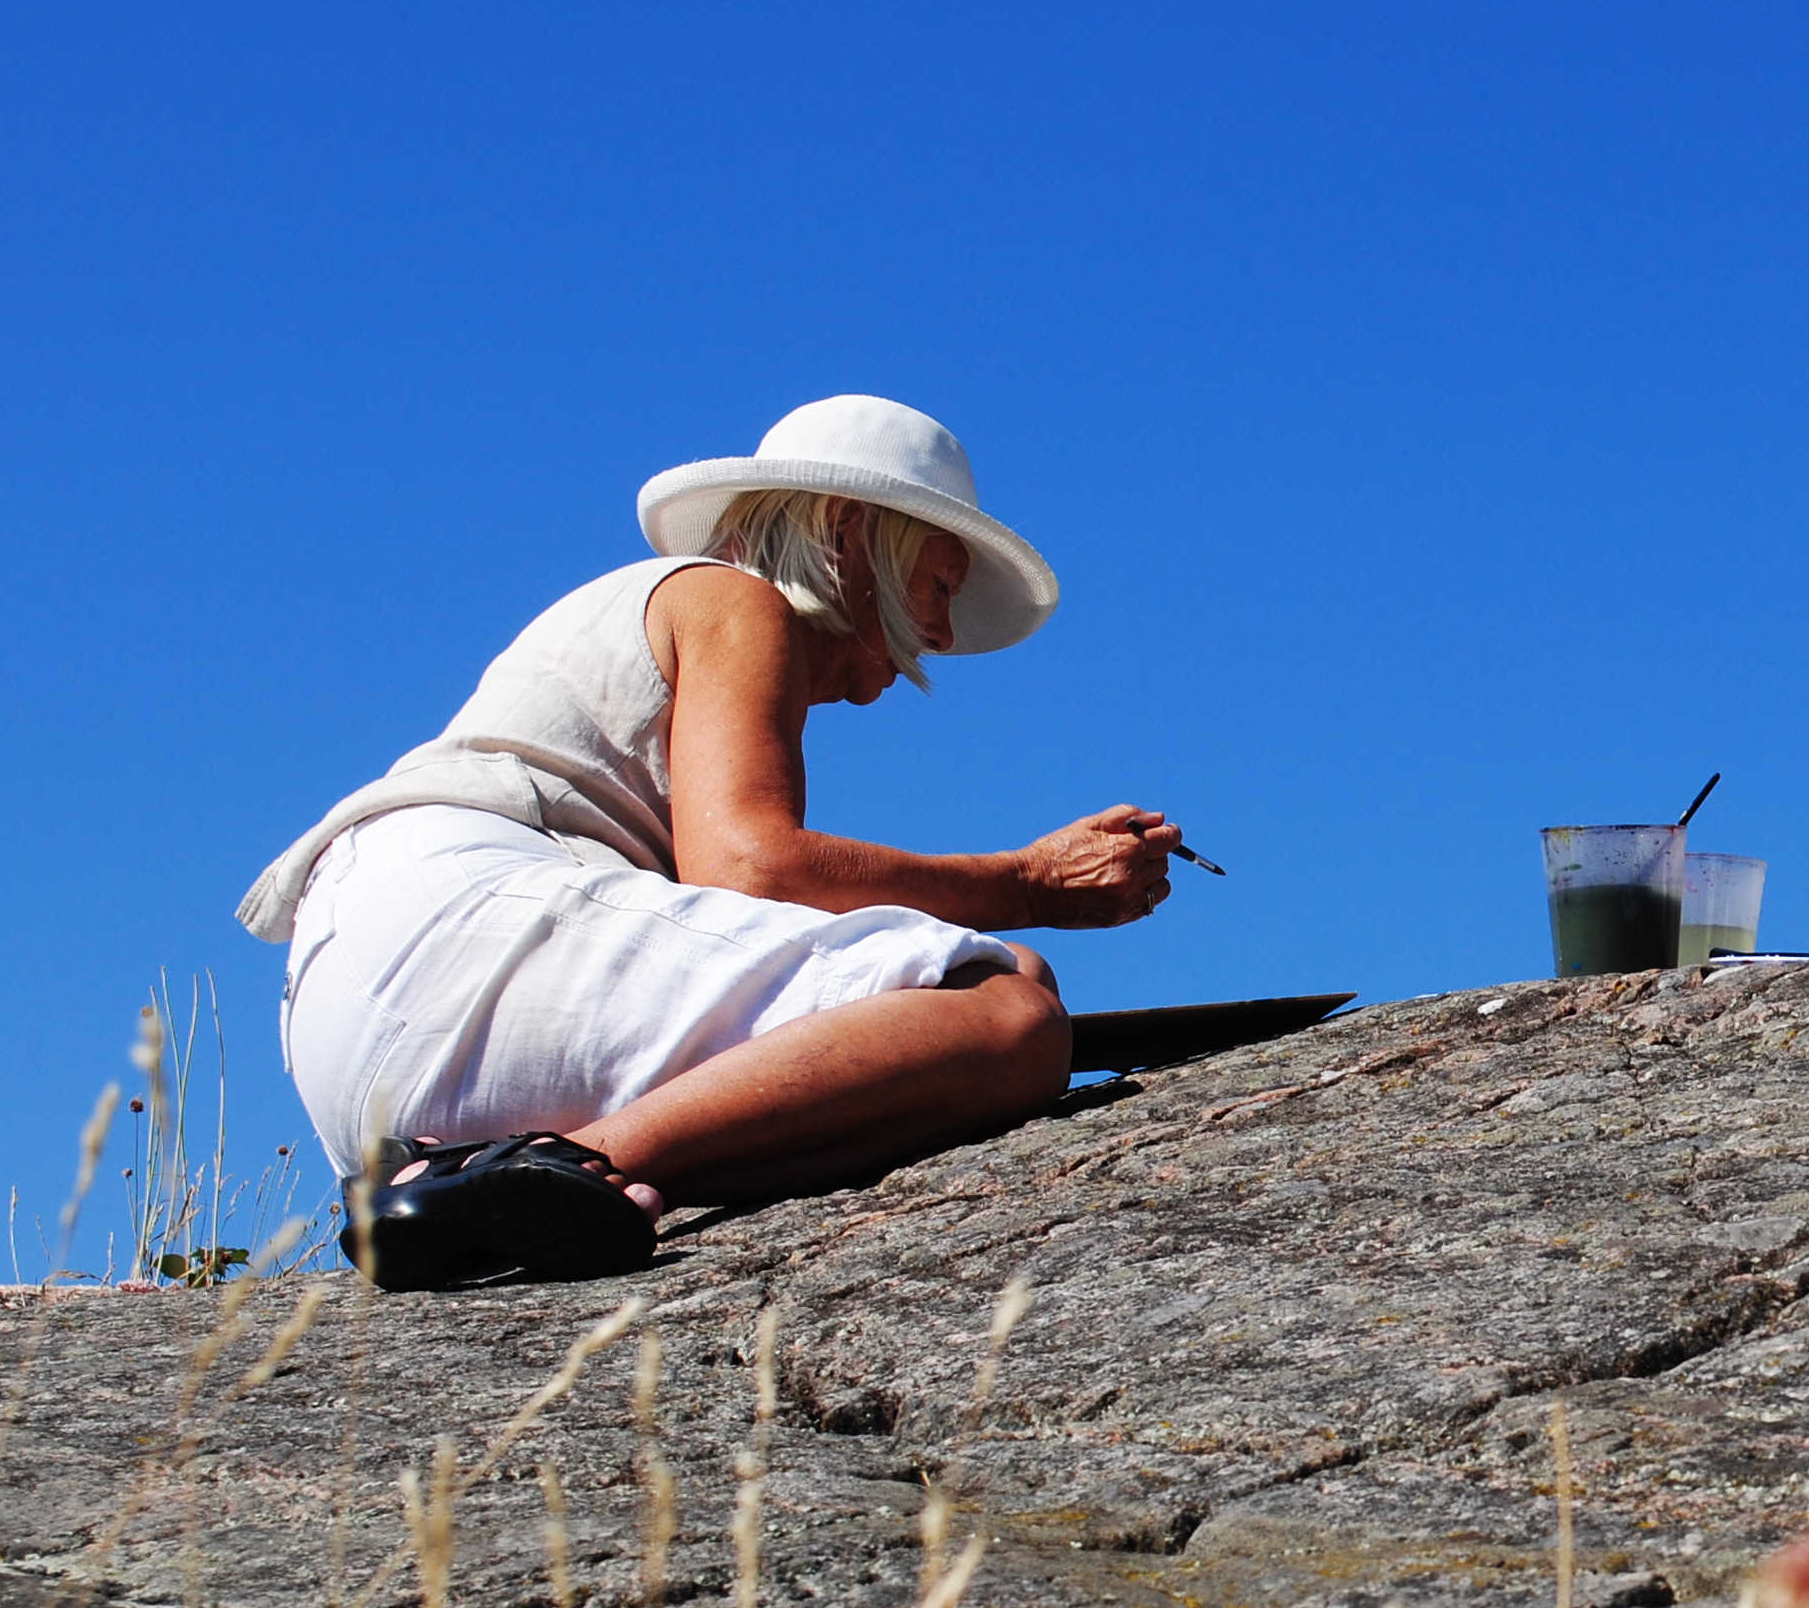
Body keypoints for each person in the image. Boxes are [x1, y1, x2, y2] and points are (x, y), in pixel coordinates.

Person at [239, 395, 1184, 1288]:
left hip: (355, 1018)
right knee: (1007, 1006)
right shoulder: (735, 600)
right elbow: (751, 867)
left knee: (958, 1053)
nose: (935, 632)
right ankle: (546, 1171)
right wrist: (1028, 884)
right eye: (936, 583)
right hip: (458, 932)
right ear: (849, 533)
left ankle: (482, 1182)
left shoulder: (678, 612)